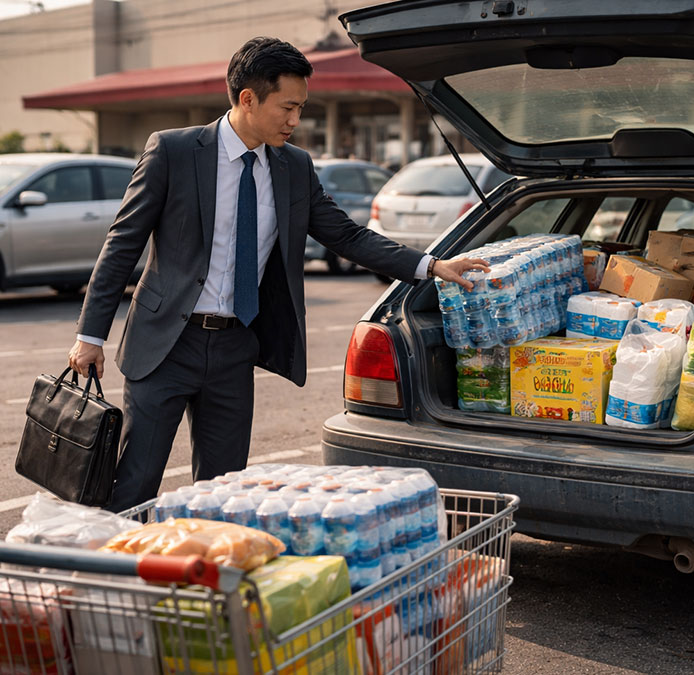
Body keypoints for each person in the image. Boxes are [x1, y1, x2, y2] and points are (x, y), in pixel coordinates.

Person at [68, 37, 489, 511]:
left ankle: (204, 581)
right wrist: (91, 335)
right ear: (248, 99)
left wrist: (431, 265)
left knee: (224, 494)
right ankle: (115, 579)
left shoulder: (294, 166)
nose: (296, 121)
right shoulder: (174, 151)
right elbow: (122, 243)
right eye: (288, 107)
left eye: (302, 108)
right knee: (135, 483)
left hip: (234, 348)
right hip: (165, 344)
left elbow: (347, 237)